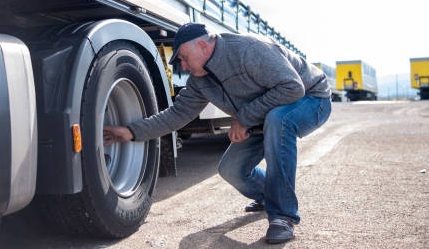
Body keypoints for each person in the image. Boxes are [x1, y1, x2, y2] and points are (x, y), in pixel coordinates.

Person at [103, 22, 331, 244]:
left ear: (203, 46)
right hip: (265, 115)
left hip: (311, 99)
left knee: (278, 120)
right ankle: (268, 195)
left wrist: (244, 119)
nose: (182, 66)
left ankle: (283, 216)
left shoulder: (249, 50)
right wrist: (131, 132)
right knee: (231, 170)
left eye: (182, 57)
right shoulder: (200, 81)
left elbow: (292, 88)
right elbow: (177, 115)